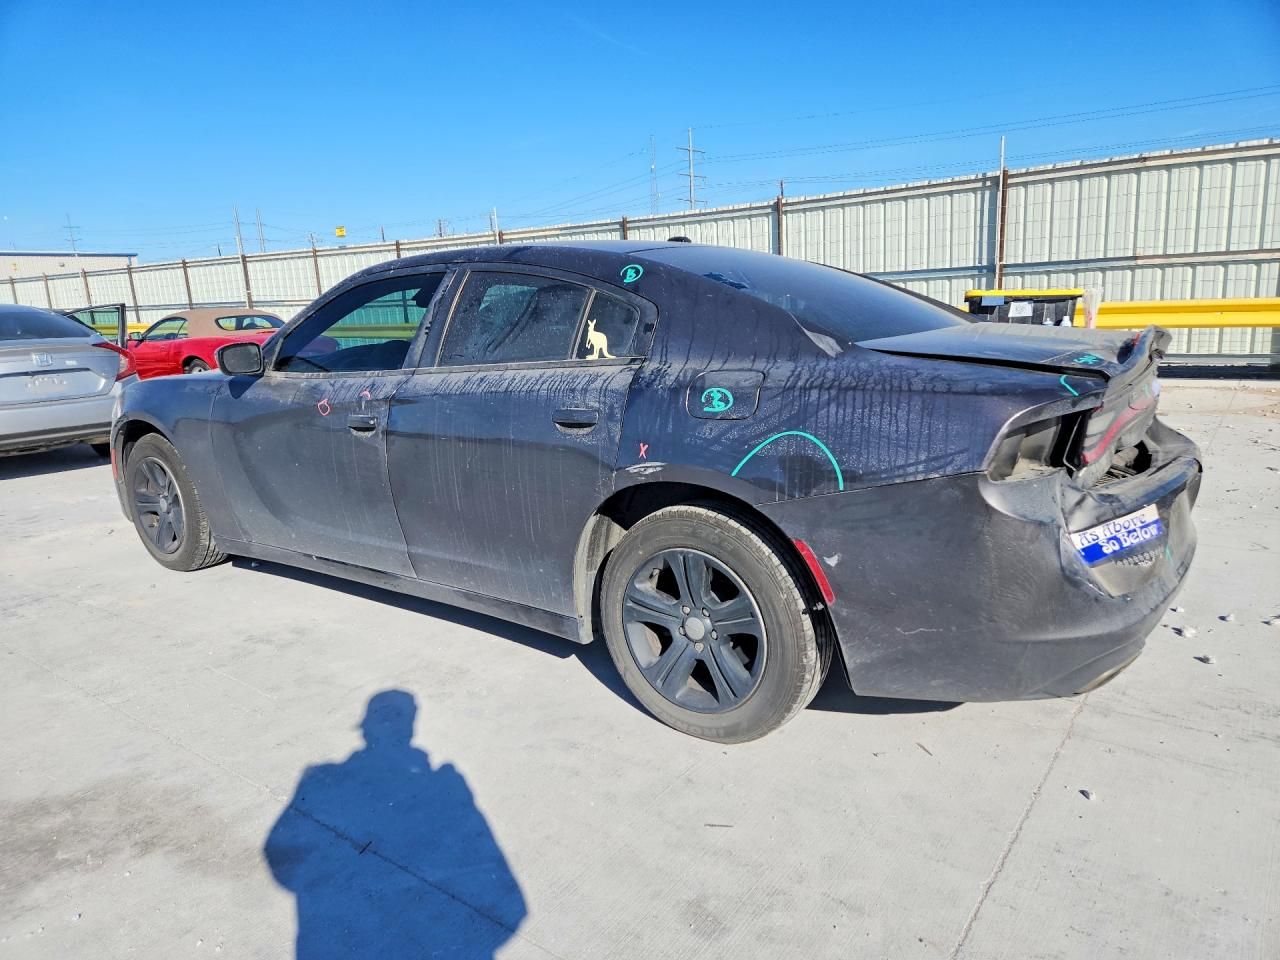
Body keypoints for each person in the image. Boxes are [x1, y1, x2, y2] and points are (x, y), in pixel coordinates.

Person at [265, 690, 525, 959]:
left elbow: (282, 857)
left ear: (365, 728)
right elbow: (508, 902)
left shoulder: (323, 781)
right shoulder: (444, 787)